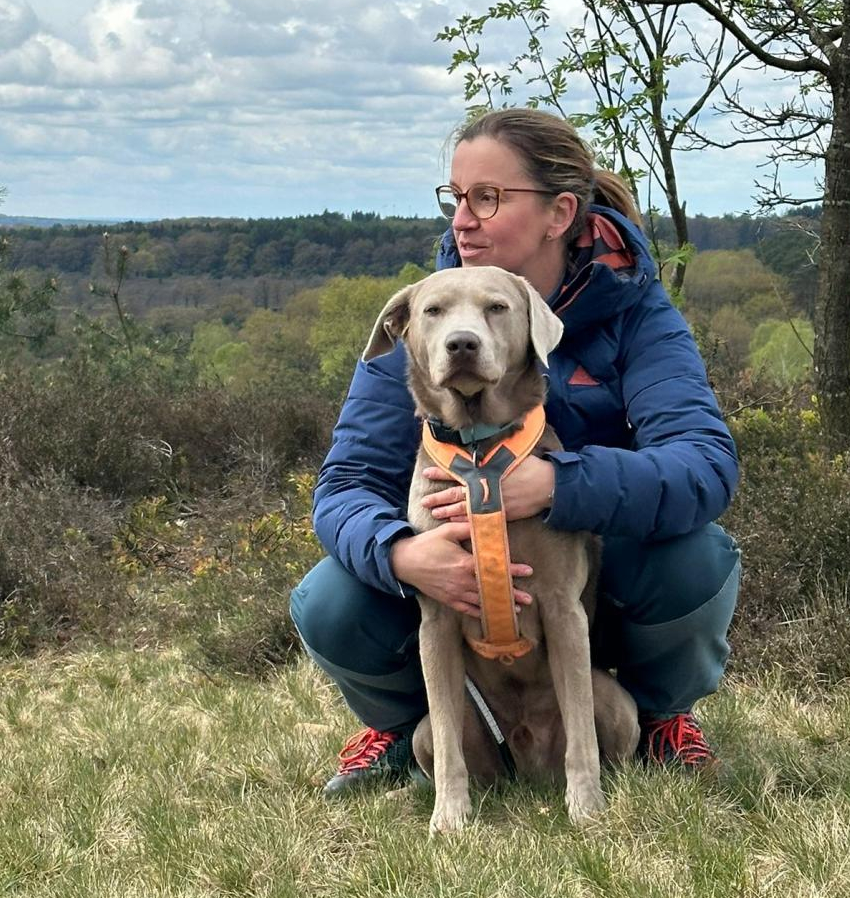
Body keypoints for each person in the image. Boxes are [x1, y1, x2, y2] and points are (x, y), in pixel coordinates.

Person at [290, 107, 740, 794]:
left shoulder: (637, 314)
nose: (462, 220)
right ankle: (411, 727)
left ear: (559, 213)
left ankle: (652, 718)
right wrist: (403, 554)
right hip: (457, 616)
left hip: (590, 596)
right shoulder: (425, 321)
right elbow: (346, 483)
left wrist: (559, 485)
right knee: (330, 599)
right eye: (455, 198)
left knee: (696, 557)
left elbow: (704, 466)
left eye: (488, 198)